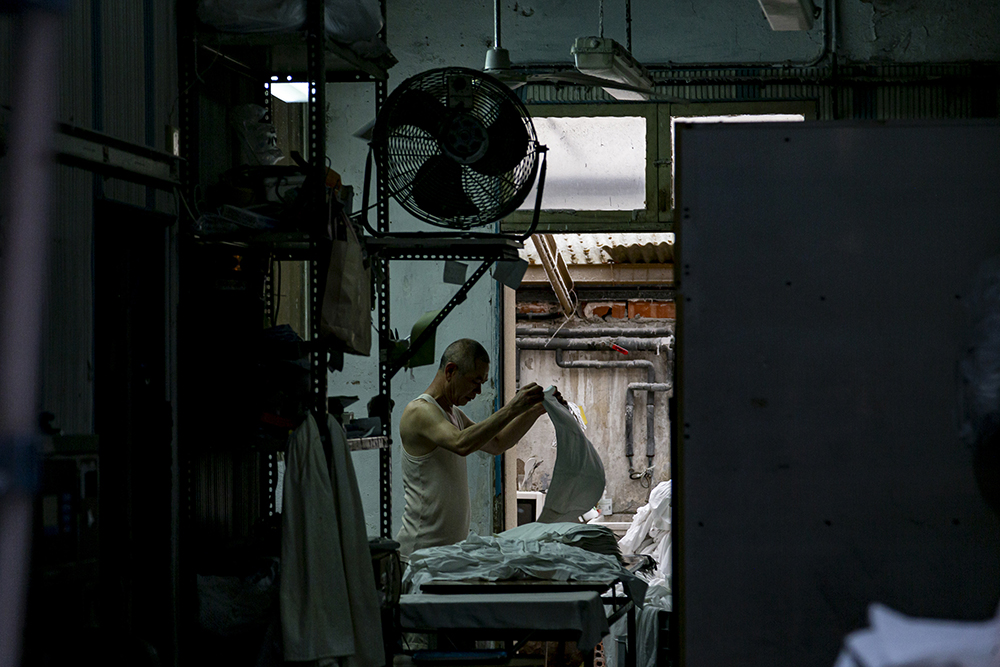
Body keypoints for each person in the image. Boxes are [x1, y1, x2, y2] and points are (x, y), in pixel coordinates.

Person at [396, 338, 551, 558]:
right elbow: (461, 443)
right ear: (450, 371)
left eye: (483, 383)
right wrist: (513, 408)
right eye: (475, 381)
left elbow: (498, 443)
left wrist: (535, 410)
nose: (478, 390)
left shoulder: (454, 415)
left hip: (445, 554)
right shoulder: (419, 411)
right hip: (419, 553)